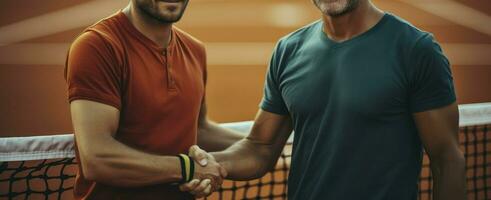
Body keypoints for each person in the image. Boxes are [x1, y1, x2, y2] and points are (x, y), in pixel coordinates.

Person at [181, 0, 466, 199]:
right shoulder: (289, 51)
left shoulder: (415, 50)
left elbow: (447, 159)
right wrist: (213, 163)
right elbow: (260, 148)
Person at [65, 0, 242, 199]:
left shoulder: (195, 50)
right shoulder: (98, 46)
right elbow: (97, 159)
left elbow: (198, 129)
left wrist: (275, 143)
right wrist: (186, 168)